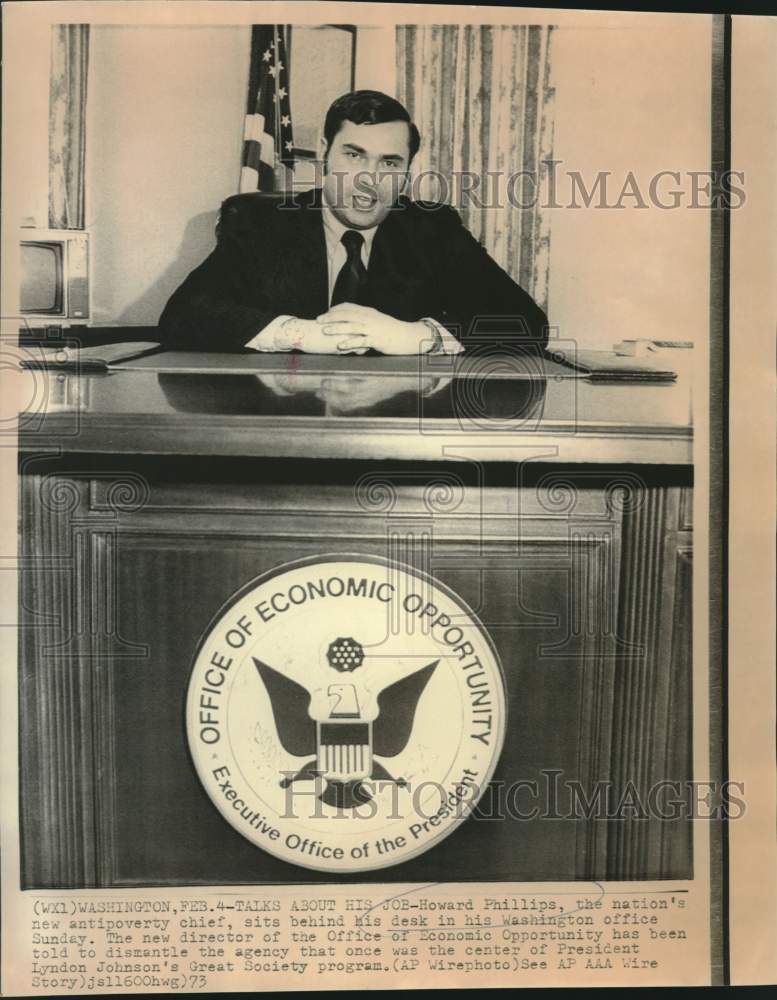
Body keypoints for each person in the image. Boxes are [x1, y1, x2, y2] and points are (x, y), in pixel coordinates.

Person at [158, 90, 548, 355]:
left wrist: (420, 336)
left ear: (406, 171)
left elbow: (528, 324)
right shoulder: (263, 223)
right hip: (284, 421)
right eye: (354, 155)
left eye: (389, 163)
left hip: (393, 430)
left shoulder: (433, 229)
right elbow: (183, 316)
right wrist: (300, 334)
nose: (369, 179)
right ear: (325, 154)